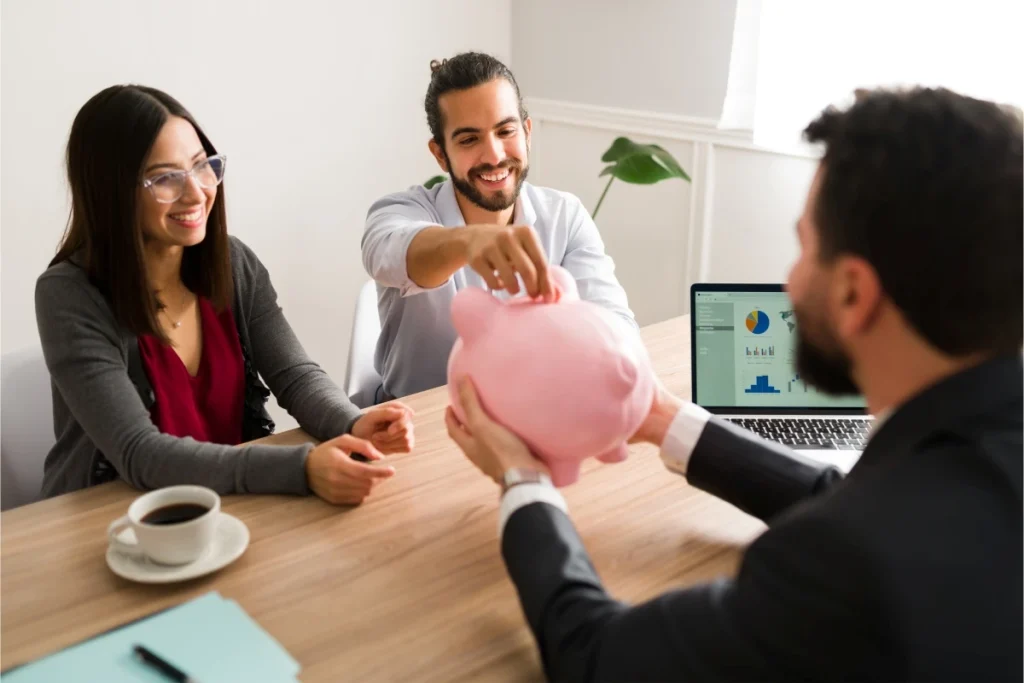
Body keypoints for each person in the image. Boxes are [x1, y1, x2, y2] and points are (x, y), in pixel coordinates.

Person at [446, 87, 1023, 681]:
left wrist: (524, 479)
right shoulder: (970, 465)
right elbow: (857, 502)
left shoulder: (842, 568)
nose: (791, 280)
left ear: (854, 293)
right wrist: (664, 419)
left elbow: (598, 656)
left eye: (805, 248)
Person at [36, 85, 414, 505]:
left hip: (230, 502)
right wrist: (302, 468)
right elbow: (138, 453)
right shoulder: (67, 295)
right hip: (110, 518)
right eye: (165, 178)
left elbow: (295, 375)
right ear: (111, 191)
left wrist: (351, 424)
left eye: (202, 166)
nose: (197, 192)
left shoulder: (233, 264)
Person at [362, 52, 637, 401]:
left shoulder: (564, 216)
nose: (493, 156)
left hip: (539, 420)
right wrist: (467, 242)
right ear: (440, 154)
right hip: (420, 431)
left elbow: (620, 334)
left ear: (526, 132)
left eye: (505, 131)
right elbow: (386, 251)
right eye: (468, 140)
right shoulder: (400, 212)